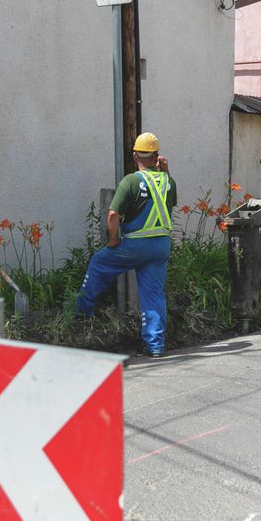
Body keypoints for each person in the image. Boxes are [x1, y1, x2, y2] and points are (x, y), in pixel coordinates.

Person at [75, 132, 177, 357]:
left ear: (134, 155)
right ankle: (155, 345)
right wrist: (166, 171)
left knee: (100, 262)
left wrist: (113, 239)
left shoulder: (131, 180)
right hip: (161, 247)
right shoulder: (168, 181)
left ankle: (81, 312)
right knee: (153, 294)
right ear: (157, 156)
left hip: (135, 246)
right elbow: (171, 199)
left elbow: (113, 215)